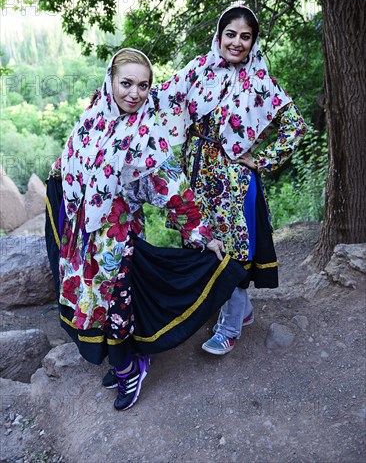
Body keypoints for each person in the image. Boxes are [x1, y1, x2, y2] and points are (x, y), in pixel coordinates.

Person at [45, 48, 253, 411]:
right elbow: (76, 156)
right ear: (110, 81)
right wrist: (61, 168)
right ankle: (132, 361)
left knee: (113, 308)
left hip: (116, 240)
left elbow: (173, 188)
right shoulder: (93, 117)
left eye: (143, 86)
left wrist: (201, 233)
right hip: (83, 238)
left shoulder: (146, 135)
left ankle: (128, 369)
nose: (134, 93)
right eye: (126, 83)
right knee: (91, 305)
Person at [153, 4, 307, 356]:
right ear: (219, 36)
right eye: (231, 34)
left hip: (233, 181)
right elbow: (159, 96)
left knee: (233, 249)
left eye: (246, 37)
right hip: (197, 173)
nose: (237, 42)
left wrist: (262, 160)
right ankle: (241, 310)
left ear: (253, 43)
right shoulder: (197, 70)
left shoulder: (260, 81)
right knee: (202, 243)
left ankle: (230, 327)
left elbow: (295, 126)